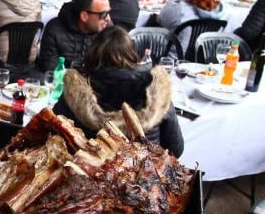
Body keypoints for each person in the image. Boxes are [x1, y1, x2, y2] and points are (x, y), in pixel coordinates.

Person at [54, 26, 183, 154]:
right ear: (133, 53)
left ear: (92, 53)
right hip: (147, 169)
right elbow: (176, 149)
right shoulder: (156, 89)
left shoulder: (76, 89)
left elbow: (53, 133)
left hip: (90, 169)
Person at [37, 0, 112, 71]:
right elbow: (49, 70)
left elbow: (114, 66)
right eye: (104, 14)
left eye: (108, 13)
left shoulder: (107, 29)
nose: (108, 18)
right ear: (84, 16)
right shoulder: (55, 29)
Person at [158, 0, 228, 54]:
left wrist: (173, 0)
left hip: (172, 58)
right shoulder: (221, 14)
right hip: (201, 61)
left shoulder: (180, 8)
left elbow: (161, 20)